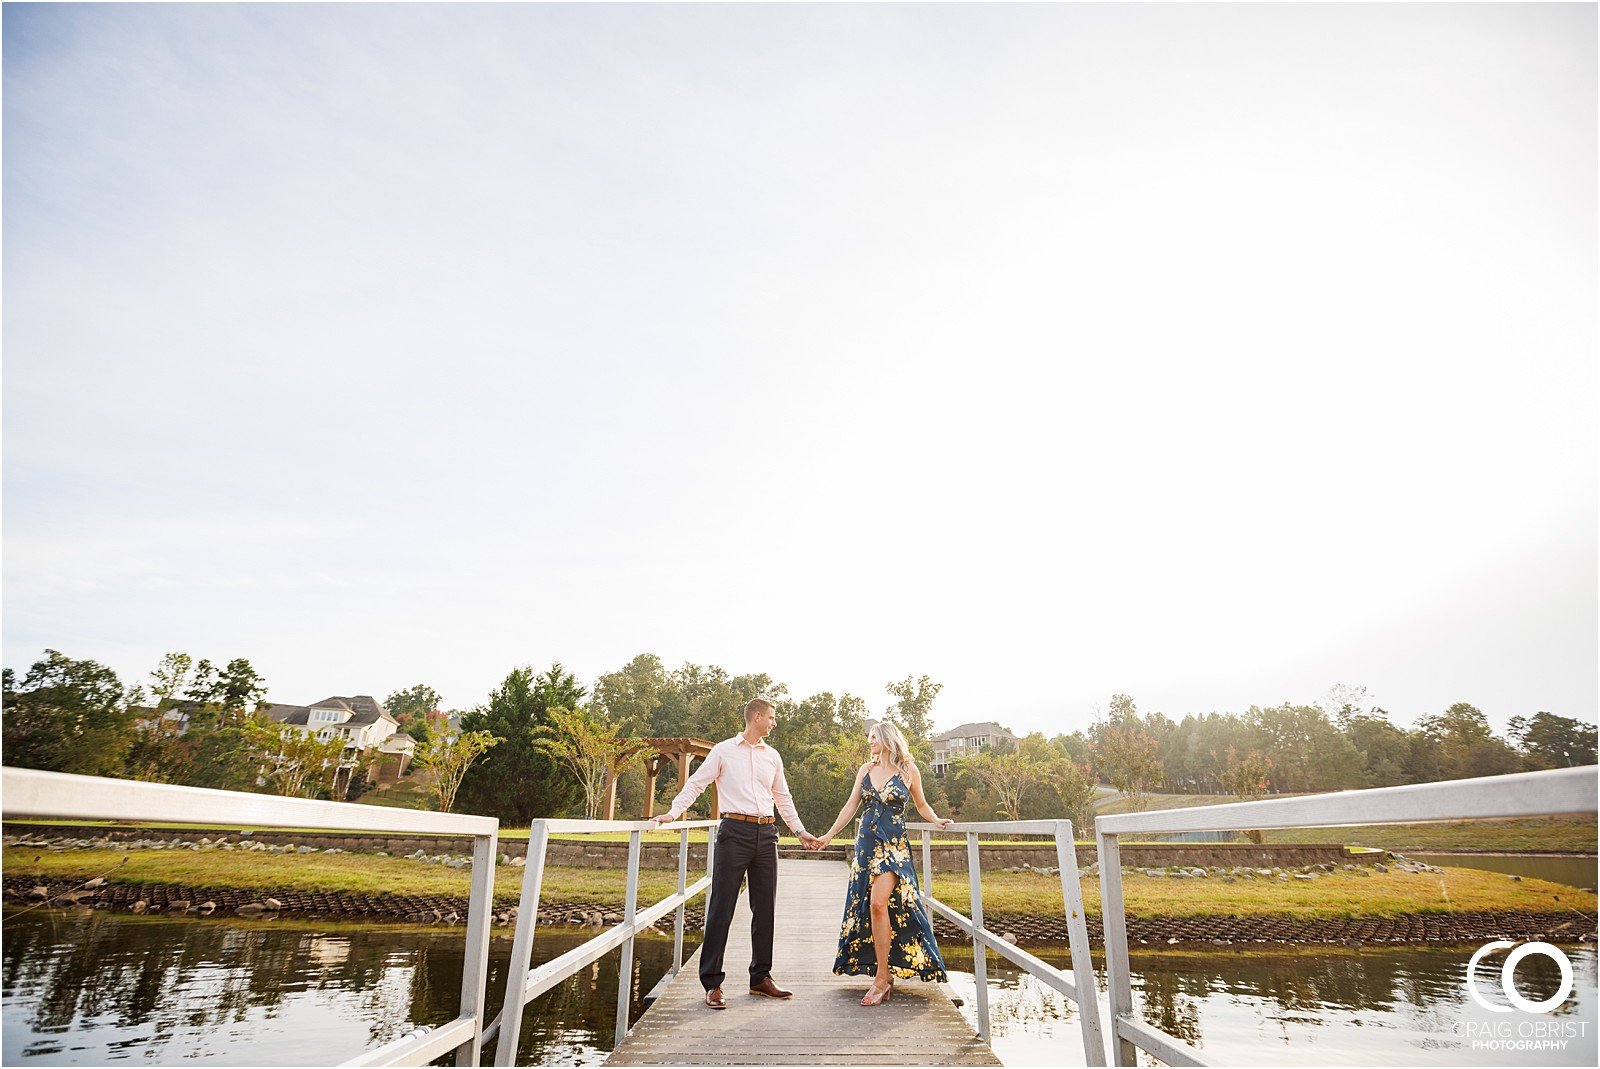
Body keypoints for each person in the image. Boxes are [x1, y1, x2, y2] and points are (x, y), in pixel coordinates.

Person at [652, 697, 820, 1009]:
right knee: (722, 907)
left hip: (767, 835)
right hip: (734, 833)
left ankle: (760, 978)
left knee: (765, 908)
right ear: (757, 717)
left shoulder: (773, 756)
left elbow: (783, 797)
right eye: (771, 717)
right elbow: (696, 784)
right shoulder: (723, 750)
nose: (774, 723)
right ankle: (712, 983)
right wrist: (673, 814)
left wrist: (799, 831)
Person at [811, 719, 952, 1005]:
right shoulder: (866, 769)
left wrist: (936, 820)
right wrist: (828, 835)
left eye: (873, 737)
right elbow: (851, 805)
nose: (869, 742)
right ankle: (884, 976)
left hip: (894, 846)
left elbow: (921, 805)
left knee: (878, 903)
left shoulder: (908, 770)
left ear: (887, 739)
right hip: (867, 845)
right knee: (873, 908)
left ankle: (881, 978)